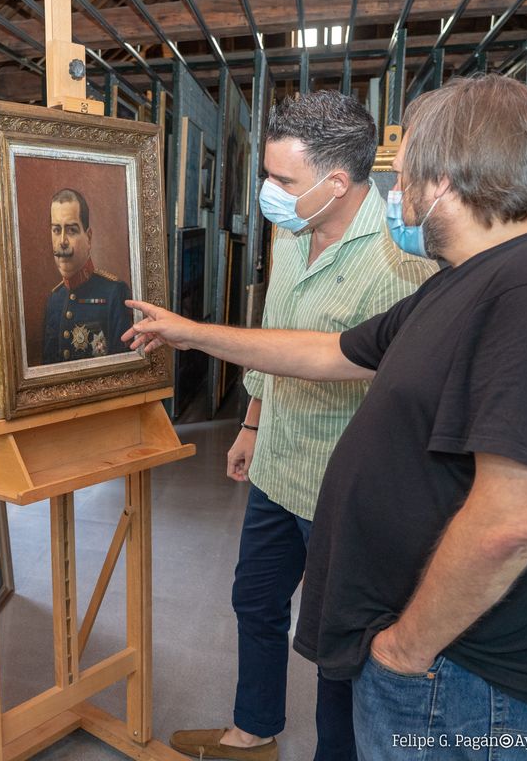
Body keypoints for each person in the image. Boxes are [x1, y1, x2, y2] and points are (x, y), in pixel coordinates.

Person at [124, 75, 527, 760]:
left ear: (442, 180)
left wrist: (403, 647)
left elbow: (510, 521)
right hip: (445, 659)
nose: (398, 188)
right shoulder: (477, 279)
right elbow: (332, 351)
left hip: (467, 673)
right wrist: (193, 333)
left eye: (406, 168)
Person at [169, 92, 436, 761]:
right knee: (254, 602)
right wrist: (252, 423)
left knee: (334, 644)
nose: (268, 192)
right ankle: (254, 729)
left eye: (283, 180)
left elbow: (392, 391)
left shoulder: (401, 262)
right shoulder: (290, 233)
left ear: (338, 182)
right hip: (278, 463)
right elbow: (272, 335)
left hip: (344, 491)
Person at [40, 188, 132, 364]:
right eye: (56, 230)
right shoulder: (54, 299)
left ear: (88, 237)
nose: (62, 241)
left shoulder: (115, 293)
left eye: (72, 230)